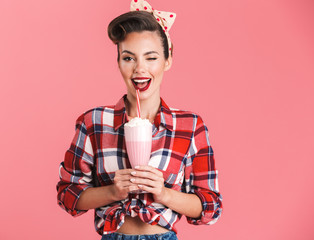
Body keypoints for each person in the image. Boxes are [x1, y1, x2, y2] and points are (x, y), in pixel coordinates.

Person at [56, 1, 223, 239]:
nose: (140, 69)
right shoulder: (94, 122)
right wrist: (113, 191)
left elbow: (210, 207)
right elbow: (68, 195)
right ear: (118, 63)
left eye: (151, 57)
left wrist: (163, 194)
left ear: (167, 60)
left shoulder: (190, 126)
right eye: (129, 58)